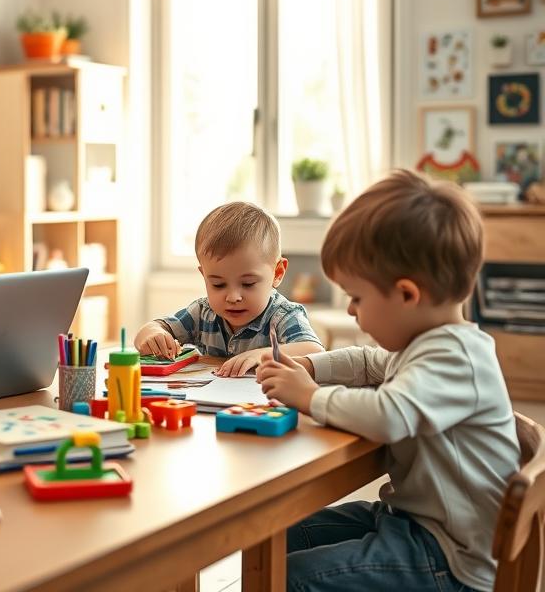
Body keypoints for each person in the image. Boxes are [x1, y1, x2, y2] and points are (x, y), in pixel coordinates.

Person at [258, 169, 519, 591]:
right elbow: (369, 363)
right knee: (275, 539)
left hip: (449, 556)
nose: (350, 310)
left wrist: (310, 397)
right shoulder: (427, 344)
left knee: (290, 578)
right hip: (411, 522)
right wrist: (310, 366)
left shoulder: (455, 358)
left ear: (407, 295)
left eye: (356, 297)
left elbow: (389, 415)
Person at [134, 201, 324, 376]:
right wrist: (153, 335)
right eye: (218, 284)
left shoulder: (282, 315)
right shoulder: (202, 312)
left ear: (277, 273)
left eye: (248, 283)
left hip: (264, 399)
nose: (233, 297)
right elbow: (152, 329)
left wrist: (262, 355)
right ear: (204, 276)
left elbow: (314, 351)